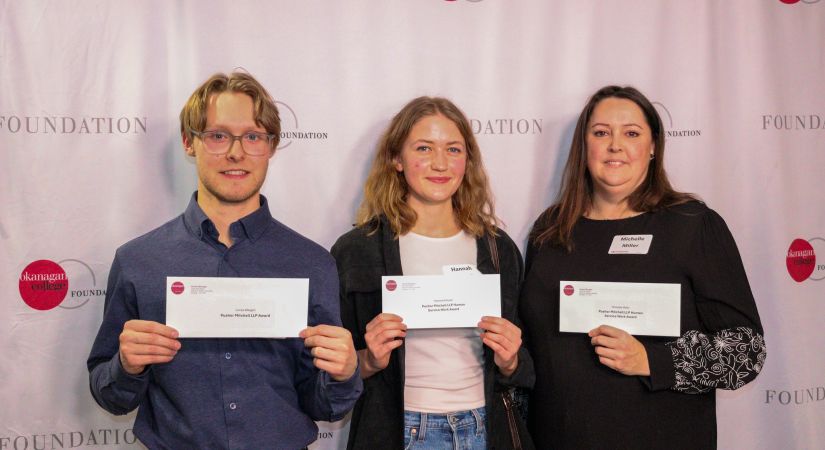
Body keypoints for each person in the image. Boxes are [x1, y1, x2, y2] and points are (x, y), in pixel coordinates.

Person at [87, 71, 362, 449]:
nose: (236, 152)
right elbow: (110, 394)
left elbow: (323, 404)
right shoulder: (139, 261)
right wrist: (126, 366)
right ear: (189, 143)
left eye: (252, 136)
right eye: (218, 136)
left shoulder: (312, 263)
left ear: (271, 146)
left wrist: (345, 374)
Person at [520, 85, 767, 449]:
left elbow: (747, 351)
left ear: (653, 147)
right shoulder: (551, 229)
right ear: (584, 145)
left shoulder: (691, 224)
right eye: (601, 132)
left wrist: (651, 360)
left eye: (631, 133)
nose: (615, 145)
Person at [331, 97, 535, 450]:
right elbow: (333, 374)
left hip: (484, 428)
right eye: (424, 148)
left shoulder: (498, 249)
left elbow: (525, 365)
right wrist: (369, 358)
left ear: (467, 160)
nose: (440, 163)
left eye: (453, 149)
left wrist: (510, 359)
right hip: (399, 431)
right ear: (397, 159)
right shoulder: (356, 250)